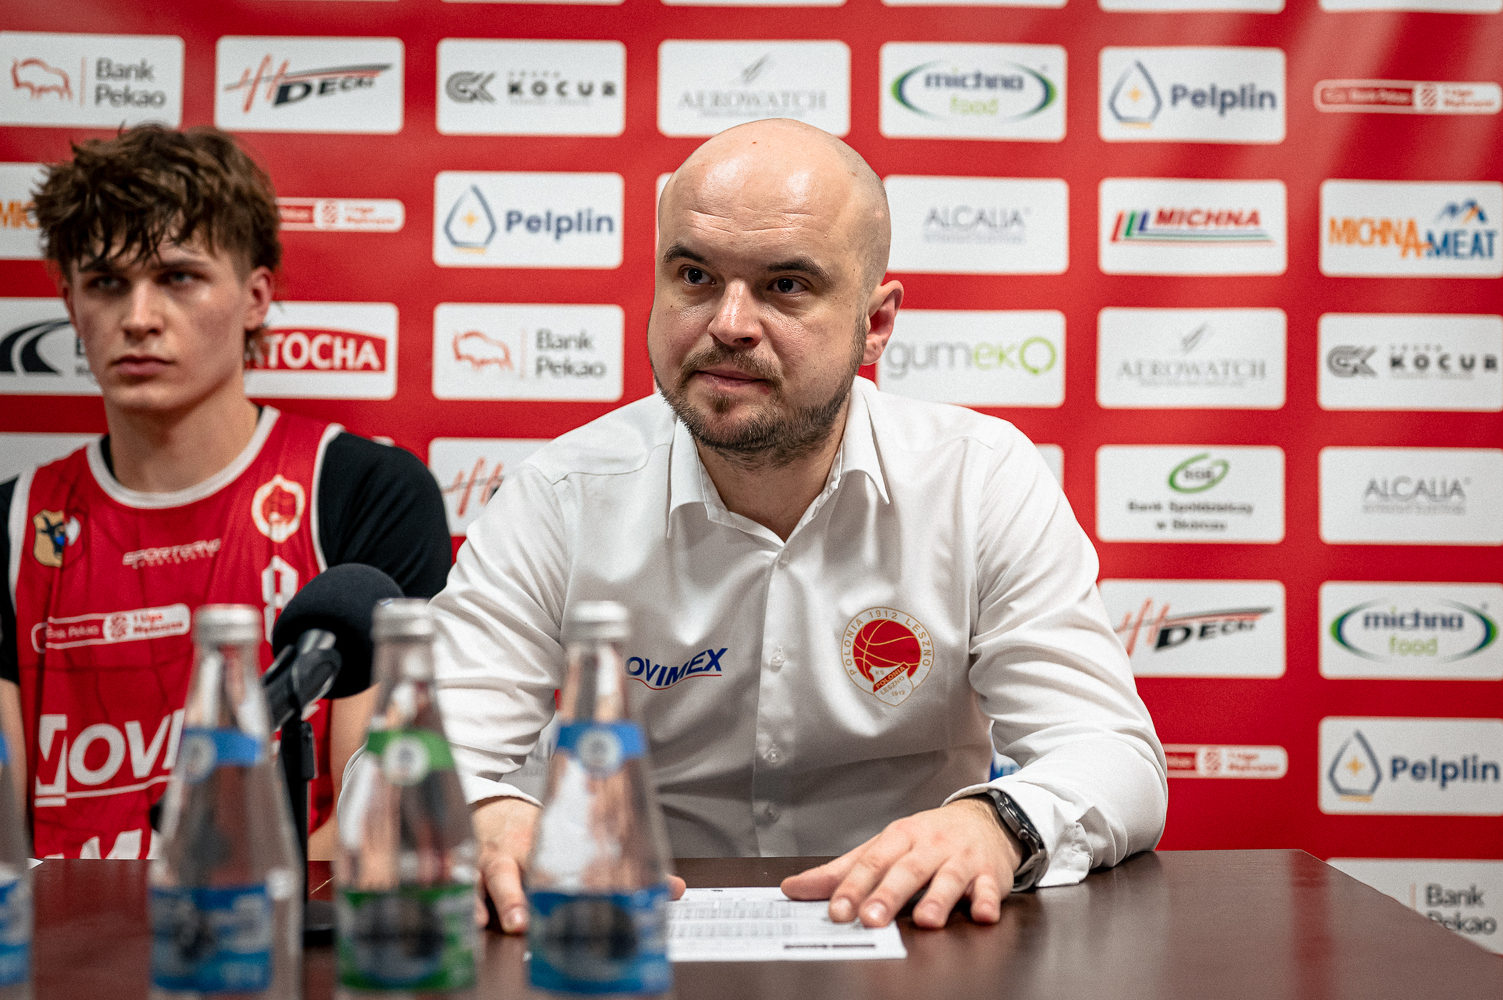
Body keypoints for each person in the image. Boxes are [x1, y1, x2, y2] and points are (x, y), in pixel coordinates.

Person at [431, 118, 1167, 933]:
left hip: (910, 937)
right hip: (623, 942)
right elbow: (409, 759)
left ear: (874, 324)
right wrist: (487, 814)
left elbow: (1112, 755)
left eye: (785, 285)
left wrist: (995, 824)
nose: (729, 323)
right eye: (694, 276)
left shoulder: (978, 479)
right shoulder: (561, 496)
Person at [0, 125, 452, 860]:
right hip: (66, 926)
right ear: (71, 305)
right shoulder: (15, 524)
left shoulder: (365, 490)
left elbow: (376, 814)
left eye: (178, 277)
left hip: (281, 923)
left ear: (255, 297)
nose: (138, 318)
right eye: (106, 282)